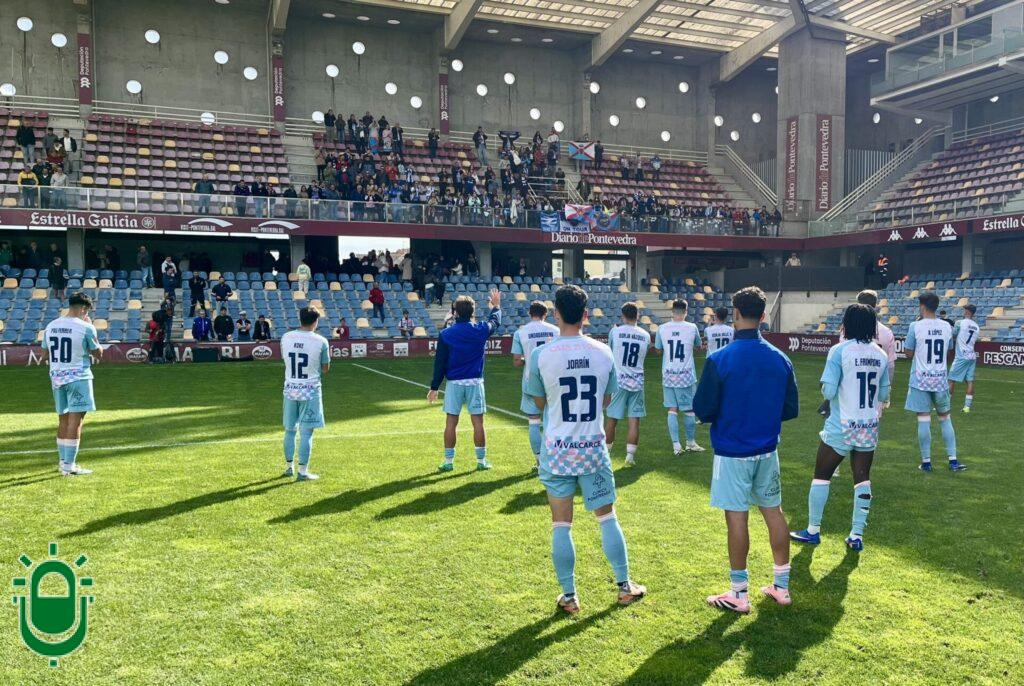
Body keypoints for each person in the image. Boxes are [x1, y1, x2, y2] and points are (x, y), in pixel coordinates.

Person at [525, 284, 647, 615]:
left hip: (557, 451)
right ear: (585, 315)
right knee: (607, 517)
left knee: (561, 524)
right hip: (593, 448)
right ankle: (624, 586)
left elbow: (539, 402)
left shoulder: (541, 355)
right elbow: (605, 400)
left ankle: (569, 596)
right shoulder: (603, 352)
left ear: (557, 314)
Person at [694, 286, 799, 612]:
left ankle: (739, 593)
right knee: (773, 511)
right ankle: (781, 586)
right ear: (763, 315)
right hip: (767, 450)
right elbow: (790, 409)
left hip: (732, 451)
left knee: (737, 518)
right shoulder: (780, 358)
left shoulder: (719, 359)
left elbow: (703, 409)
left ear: (736, 313)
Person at [790, 304, 890, 553]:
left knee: (821, 476)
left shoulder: (839, 351)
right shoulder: (880, 354)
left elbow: (829, 391)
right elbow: (884, 394)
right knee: (862, 478)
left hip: (841, 424)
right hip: (868, 425)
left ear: (847, 323)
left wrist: (827, 388)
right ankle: (856, 535)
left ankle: (813, 530)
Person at [427, 290, 502, 472]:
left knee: (451, 422)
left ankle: (448, 461)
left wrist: (434, 387)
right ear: (473, 312)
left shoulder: (446, 334)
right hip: (475, 382)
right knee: (478, 423)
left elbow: (440, 363)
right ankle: (481, 461)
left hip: (454, 383)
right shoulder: (480, 329)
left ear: (456, 313)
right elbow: (495, 322)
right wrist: (495, 306)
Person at [43, 292, 103, 476]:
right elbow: (98, 354)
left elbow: (44, 356)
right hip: (78, 377)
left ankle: (63, 462)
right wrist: (93, 331)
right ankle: (69, 465)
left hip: (57, 378)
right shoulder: (86, 327)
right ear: (84, 309)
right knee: (76, 421)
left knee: (63, 419)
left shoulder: (51, 326)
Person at [905, 292, 965, 472]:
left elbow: (908, 353)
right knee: (945, 419)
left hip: (920, 380)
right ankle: (953, 461)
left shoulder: (915, 326)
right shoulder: (947, 326)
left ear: (922, 306)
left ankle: (926, 462)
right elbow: (949, 349)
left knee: (923, 419)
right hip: (940, 380)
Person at [280, 307, 331, 481]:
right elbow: (325, 369)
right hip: (310, 390)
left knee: (289, 430)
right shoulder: (321, 341)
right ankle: (302, 471)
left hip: (290, 388)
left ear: (300, 319)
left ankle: (289, 467)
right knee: (307, 432)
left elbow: (286, 360)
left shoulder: (286, 337)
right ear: (315, 321)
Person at [511, 301, 559, 467]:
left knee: (533, 421)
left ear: (530, 314)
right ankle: (553, 458)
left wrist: (528, 360)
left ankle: (539, 460)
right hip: (552, 381)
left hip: (531, 380)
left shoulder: (521, 332)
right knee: (553, 420)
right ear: (545, 314)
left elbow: (517, 361)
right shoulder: (555, 330)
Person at [654, 299, 704, 455]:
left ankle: (676, 446)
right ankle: (690, 443)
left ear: (672, 311)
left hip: (669, 374)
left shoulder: (662, 328)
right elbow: (699, 346)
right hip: (685, 376)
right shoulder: (692, 327)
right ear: (686, 311)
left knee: (672, 409)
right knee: (689, 410)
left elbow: (658, 350)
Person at [605, 302, 651, 466]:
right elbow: (644, 355)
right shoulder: (645, 335)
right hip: (637, 381)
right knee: (634, 421)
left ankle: (606, 454)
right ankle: (630, 457)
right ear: (638, 315)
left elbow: (610, 352)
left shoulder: (615, 332)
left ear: (623, 316)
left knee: (612, 419)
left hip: (619, 381)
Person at [948, 304, 979, 413]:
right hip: (972, 355)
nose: (964, 311)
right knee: (970, 381)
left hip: (961, 355)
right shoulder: (976, 326)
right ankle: (967, 407)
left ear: (967, 312)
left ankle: (946, 405)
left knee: (951, 380)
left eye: (965, 310)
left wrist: (950, 328)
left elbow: (953, 334)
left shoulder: (959, 322)